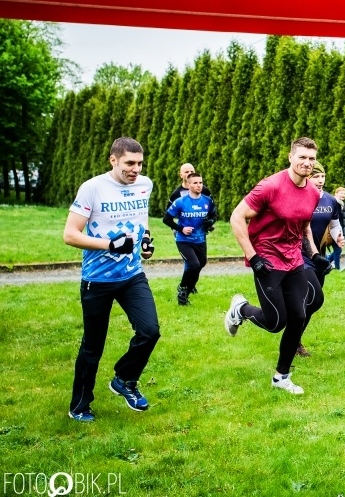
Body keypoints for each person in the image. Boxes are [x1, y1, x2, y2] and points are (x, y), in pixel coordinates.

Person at [63, 137, 160, 422]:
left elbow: (141, 219)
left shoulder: (145, 184)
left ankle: (124, 379)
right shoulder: (92, 188)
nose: (136, 169)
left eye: (140, 163)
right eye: (130, 163)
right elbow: (70, 234)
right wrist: (109, 245)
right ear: (113, 160)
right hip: (97, 280)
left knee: (150, 331)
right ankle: (79, 405)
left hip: (132, 275)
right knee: (93, 346)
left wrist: (146, 240)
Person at [223, 137, 330, 395]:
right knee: (275, 322)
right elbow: (237, 216)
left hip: (294, 260)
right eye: (302, 157)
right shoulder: (269, 187)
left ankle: (281, 376)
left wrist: (314, 255)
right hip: (267, 259)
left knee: (299, 316)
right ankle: (241, 308)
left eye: (311, 158)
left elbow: (304, 226)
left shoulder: (314, 192)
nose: (307, 163)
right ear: (290, 157)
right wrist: (253, 255)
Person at [297, 162, 343, 357]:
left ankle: (295, 337)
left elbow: (334, 224)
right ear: (307, 178)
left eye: (322, 176)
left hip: (320, 257)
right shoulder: (300, 198)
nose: (321, 180)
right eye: (316, 176)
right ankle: (293, 337)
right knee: (315, 297)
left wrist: (339, 236)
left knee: (312, 302)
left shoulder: (330, 201)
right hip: (299, 255)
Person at [162, 172, 218, 305]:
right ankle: (182, 289)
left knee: (201, 264)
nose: (199, 185)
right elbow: (166, 219)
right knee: (194, 265)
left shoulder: (207, 200)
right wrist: (181, 229)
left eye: (200, 182)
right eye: (195, 183)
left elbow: (214, 216)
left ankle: (188, 290)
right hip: (184, 240)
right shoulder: (180, 202)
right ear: (188, 185)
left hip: (200, 239)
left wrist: (209, 223)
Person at [327, 186, 345, 270]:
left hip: (338, 229)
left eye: (344, 193)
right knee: (338, 249)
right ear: (336, 194)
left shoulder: (340, 204)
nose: (343, 195)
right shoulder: (334, 203)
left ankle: (326, 261)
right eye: (341, 193)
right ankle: (337, 267)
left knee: (337, 249)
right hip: (334, 229)